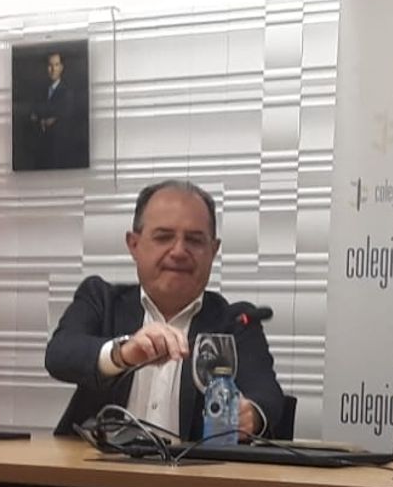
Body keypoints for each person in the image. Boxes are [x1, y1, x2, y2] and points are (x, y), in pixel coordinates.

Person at [47, 179, 283, 439]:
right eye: (163, 237)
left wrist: (252, 415)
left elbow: (266, 394)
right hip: (91, 474)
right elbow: (60, 355)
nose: (179, 251)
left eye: (194, 240)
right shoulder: (101, 300)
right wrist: (124, 353)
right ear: (134, 244)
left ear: (213, 251)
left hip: (192, 477)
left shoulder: (235, 321)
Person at [23, 50, 86, 170]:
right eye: (50, 65)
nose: (53, 69)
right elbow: (33, 114)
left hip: (60, 150)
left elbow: (64, 117)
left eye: (56, 65)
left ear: (61, 68)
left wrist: (47, 118)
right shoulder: (40, 92)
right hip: (42, 150)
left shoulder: (68, 92)